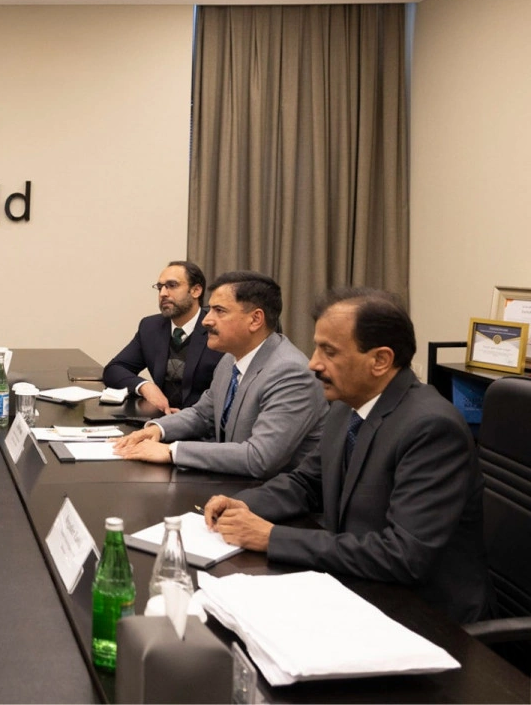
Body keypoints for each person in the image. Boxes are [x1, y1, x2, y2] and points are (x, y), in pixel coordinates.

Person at [204, 288, 492, 624]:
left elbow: (403, 554)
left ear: (380, 360)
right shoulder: (347, 406)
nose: (313, 363)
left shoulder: (431, 428)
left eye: (329, 351)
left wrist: (271, 537)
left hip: (426, 616)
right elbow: (307, 482)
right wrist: (243, 504)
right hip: (357, 587)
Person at [113, 271, 325, 478]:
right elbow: (203, 414)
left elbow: (259, 457)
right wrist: (158, 429)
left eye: (219, 311)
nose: (206, 320)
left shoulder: (290, 373)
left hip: (275, 494)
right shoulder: (230, 359)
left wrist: (172, 451)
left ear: (255, 319)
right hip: (234, 482)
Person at [102, 261, 223, 412]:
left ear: (196, 290)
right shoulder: (151, 327)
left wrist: (188, 419)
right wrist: (145, 386)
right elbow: (114, 369)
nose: (163, 293)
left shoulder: (217, 328)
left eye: (172, 285)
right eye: (160, 287)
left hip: (203, 422)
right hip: (160, 419)